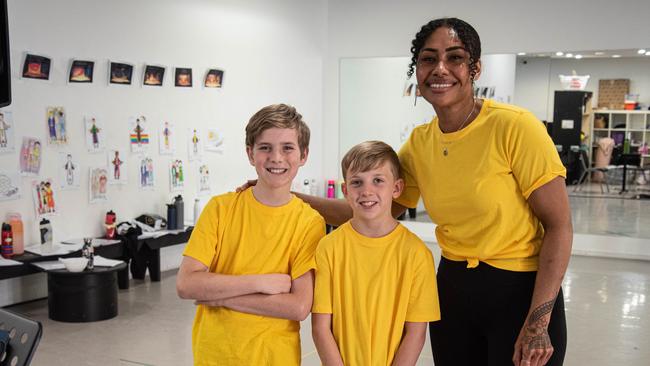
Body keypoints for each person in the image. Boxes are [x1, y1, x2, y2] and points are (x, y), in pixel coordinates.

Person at [248, 17, 570, 366]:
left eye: (455, 58)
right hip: (455, 289)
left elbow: (559, 226)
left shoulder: (515, 127)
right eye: (428, 59)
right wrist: (285, 193)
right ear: (417, 70)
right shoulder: (420, 144)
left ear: (475, 68)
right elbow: (369, 208)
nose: (440, 69)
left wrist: (539, 321)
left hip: (519, 288)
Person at [176, 103, 326, 365]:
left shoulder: (309, 222)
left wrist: (220, 296)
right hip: (214, 355)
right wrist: (261, 282)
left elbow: (299, 306)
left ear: (303, 155)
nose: (276, 157)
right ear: (250, 153)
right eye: (265, 147)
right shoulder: (221, 208)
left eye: (287, 148)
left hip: (274, 357)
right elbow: (187, 284)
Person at [311, 141, 439, 365]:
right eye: (357, 182)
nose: (366, 191)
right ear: (346, 191)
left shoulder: (417, 254)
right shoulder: (328, 248)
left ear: (397, 188)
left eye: (378, 181)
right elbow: (321, 328)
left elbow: (416, 333)